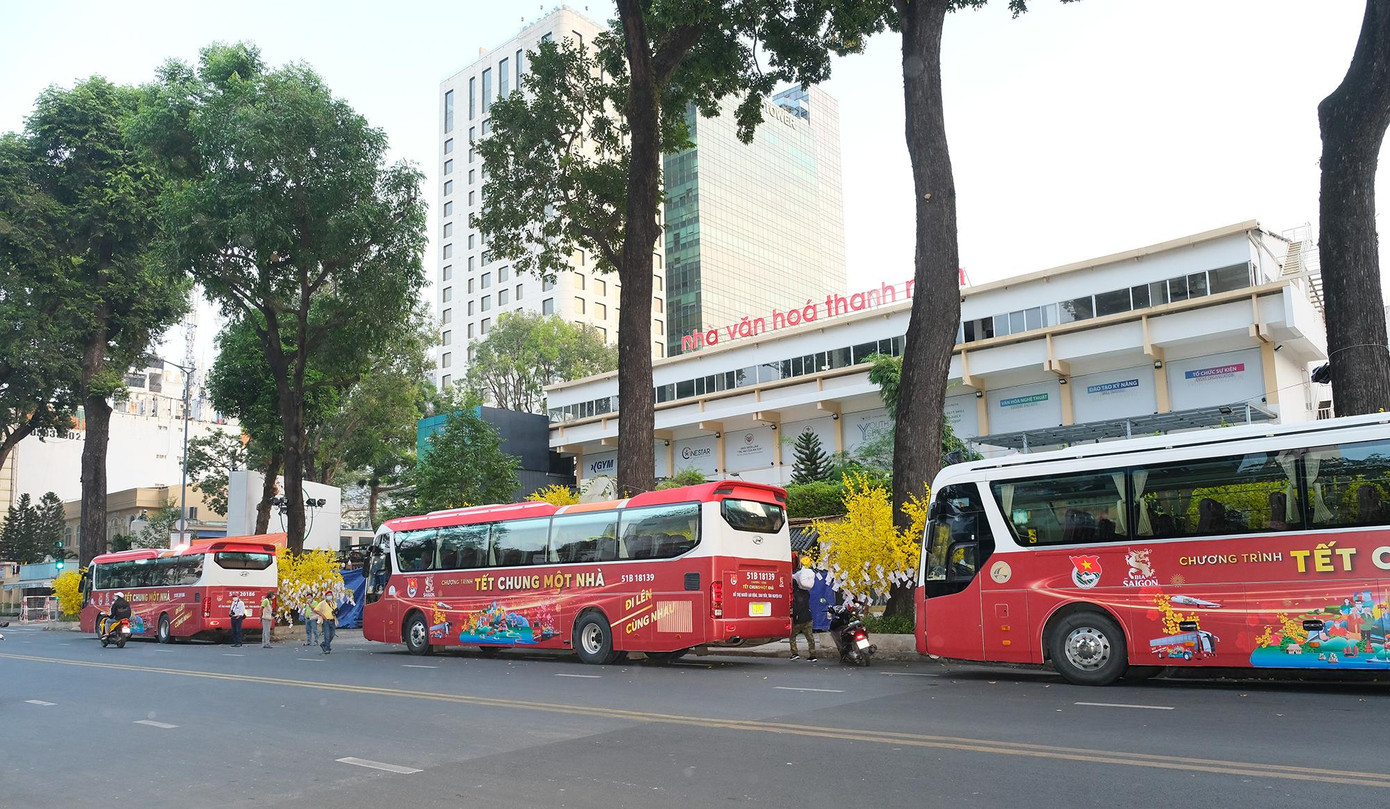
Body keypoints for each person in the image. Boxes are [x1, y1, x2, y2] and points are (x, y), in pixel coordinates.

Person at [789, 565, 816, 661]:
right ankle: (812, 655)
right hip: (808, 618)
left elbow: (795, 607)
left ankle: (795, 653)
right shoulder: (806, 593)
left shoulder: (794, 595)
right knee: (810, 638)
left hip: (798, 619)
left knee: (792, 636)